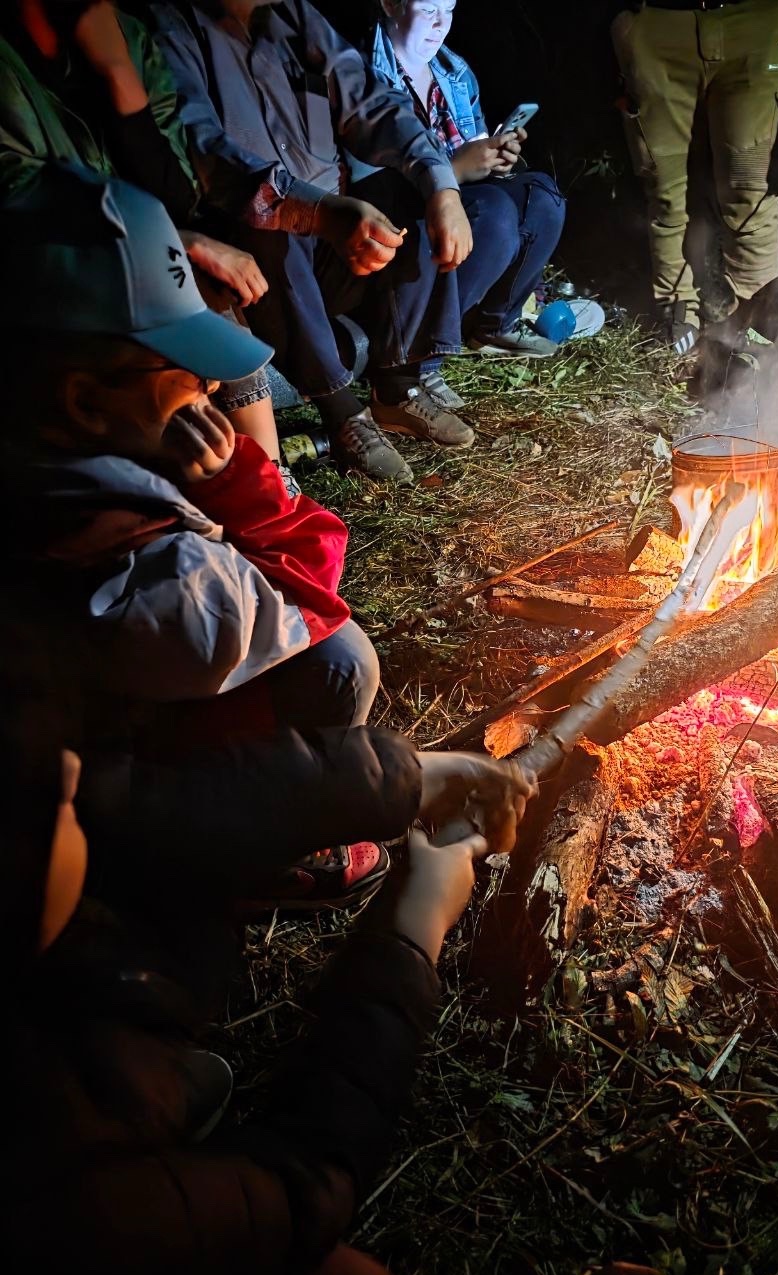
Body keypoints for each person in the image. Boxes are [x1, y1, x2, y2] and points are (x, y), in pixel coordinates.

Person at [0, 166, 532, 909]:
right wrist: (240, 486)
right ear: (85, 402)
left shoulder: (50, 458)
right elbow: (313, 583)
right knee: (342, 663)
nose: (213, 387)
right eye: (185, 372)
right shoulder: (152, 570)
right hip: (113, 799)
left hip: (97, 727)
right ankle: (255, 856)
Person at [0, 633, 529, 1275]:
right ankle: (140, 1103)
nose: (71, 773)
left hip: (96, 1032)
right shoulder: (62, 1208)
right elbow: (299, 1185)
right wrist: (412, 934)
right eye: (49, 800)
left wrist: (397, 778)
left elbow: (148, 804)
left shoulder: (55, 852)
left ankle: (154, 1082)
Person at [149, 0, 508, 481]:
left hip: (339, 242)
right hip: (258, 255)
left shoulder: (294, 17)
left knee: (407, 187)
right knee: (267, 225)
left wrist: (441, 185)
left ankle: (398, 386)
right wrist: (316, 211)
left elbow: (373, 104)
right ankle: (342, 414)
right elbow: (205, 151)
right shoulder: (173, 28)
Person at [0, 0, 296, 486]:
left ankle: (268, 482)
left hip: (143, 262)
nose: (210, 385)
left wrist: (119, 73)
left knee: (212, 308)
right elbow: (27, 215)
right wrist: (177, 242)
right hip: (59, 291)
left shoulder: (129, 37)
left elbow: (178, 193)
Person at [367, 0, 567, 361]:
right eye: (429, 10)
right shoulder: (364, 73)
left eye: (449, 9)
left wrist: (494, 157)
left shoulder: (452, 71)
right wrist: (455, 171)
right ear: (391, 4)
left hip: (461, 194)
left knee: (541, 196)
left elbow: (473, 143)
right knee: (495, 210)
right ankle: (419, 355)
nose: (441, 23)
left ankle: (491, 326)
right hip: (401, 209)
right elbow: (370, 179)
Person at [610, 0, 778, 355]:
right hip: (658, 22)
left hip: (760, 19)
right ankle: (678, 303)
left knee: (751, 187)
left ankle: (756, 311)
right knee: (665, 188)